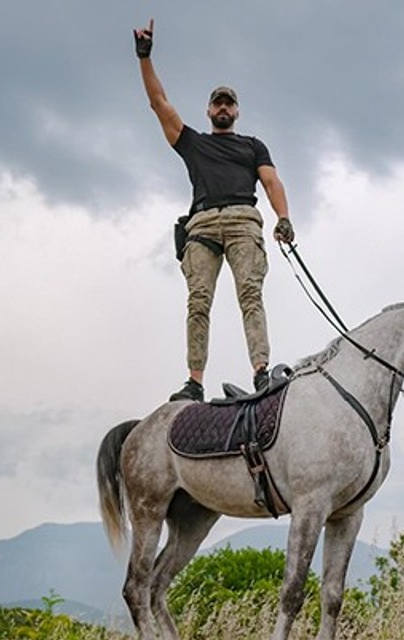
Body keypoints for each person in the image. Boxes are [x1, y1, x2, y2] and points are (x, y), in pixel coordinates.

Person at [133, 18, 295, 402]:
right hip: (203, 224)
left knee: (250, 294)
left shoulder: (252, 146)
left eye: (229, 103)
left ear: (236, 111)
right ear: (208, 110)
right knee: (198, 301)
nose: (223, 107)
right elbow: (159, 104)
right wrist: (144, 57)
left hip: (243, 219)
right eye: (218, 103)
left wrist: (284, 218)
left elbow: (271, 181)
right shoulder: (193, 143)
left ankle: (260, 372)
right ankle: (194, 381)